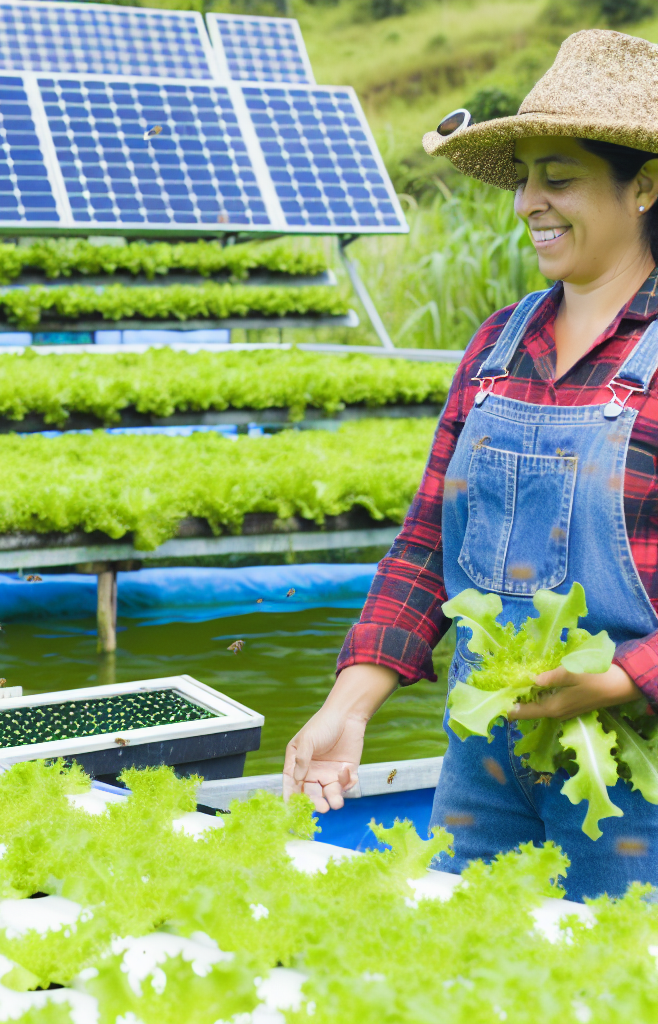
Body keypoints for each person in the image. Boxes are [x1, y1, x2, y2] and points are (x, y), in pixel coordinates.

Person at [283, 29, 658, 902]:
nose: (529, 201)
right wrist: (349, 705)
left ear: (643, 184)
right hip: (481, 774)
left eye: (557, 177)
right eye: (524, 176)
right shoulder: (497, 344)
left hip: (636, 782)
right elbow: (425, 550)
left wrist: (616, 678)